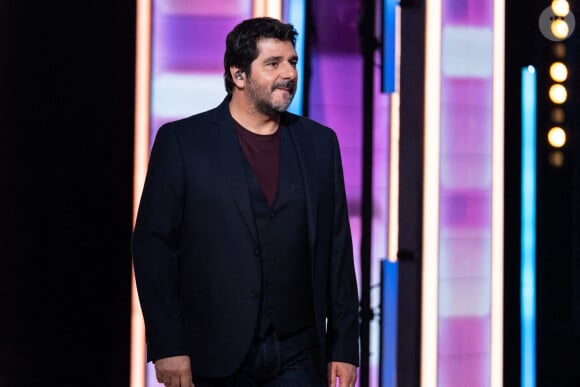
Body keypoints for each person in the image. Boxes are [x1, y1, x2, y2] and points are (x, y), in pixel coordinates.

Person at [132, 17, 359, 387]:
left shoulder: (320, 144)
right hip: (213, 352)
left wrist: (346, 347)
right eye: (273, 64)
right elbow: (152, 248)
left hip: (300, 352)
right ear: (238, 75)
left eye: (292, 62)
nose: (288, 73)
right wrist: (167, 344)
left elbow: (338, 251)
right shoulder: (183, 142)